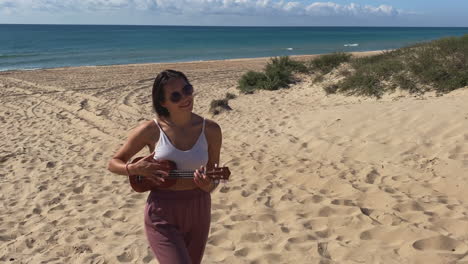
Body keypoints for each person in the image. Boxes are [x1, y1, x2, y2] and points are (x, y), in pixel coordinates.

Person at [107, 69, 223, 264]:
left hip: (199, 208)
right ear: (163, 102)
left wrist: (209, 186)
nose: (185, 97)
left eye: (187, 89)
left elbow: (214, 176)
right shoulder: (150, 130)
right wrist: (133, 169)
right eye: (175, 95)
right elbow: (113, 163)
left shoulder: (211, 130)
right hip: (162, 211)